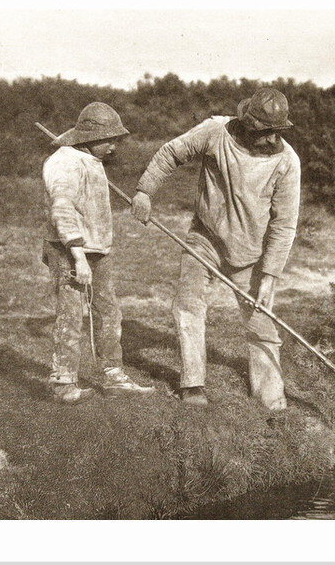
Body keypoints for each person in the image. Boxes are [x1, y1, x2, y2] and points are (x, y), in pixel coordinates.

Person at [131, 87, 301, 411]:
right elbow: (171, 153)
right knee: (188, 302)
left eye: (276, 132)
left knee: (261, 323)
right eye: (263, 132)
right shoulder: (216, 131)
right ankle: (192, 385)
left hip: (251, 253)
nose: (269, 139)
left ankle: (271, 399)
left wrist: (270, 276)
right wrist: (144, 191)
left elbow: (285, 224)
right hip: (205, 238)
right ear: (247, 123)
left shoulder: (287, 163)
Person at [42, 101, 153, 404]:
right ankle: (63, 383)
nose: (115, 146)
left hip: (97, 249)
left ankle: (112, 374)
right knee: (71, 312)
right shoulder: (63, 163)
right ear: (90, 139)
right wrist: (78, 258)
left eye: (117, 139)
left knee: (108, 311)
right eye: (110, 139)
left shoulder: (90, 160)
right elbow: (62, 210)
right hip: (69, 249)